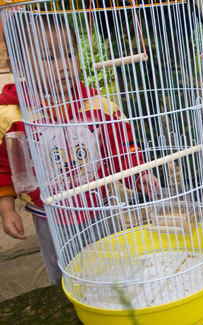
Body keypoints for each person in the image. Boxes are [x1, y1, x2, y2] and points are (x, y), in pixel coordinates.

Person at [0, 15, 158, 284]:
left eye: (69, 54)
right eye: (49, 58)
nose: (64, 67)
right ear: (18, 65)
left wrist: (137, 175)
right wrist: (7, 209)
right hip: (49, 214)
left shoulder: (96, 106)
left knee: (112, 260)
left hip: (100, 205)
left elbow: (121, 147)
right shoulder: (13, 116)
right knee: (65, 270)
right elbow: (4, 167)